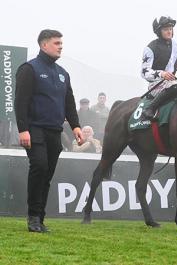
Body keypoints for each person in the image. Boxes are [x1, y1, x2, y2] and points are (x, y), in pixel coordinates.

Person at [14, 29, 84, 233]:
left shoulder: (63, 73)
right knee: (40, 166)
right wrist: (23, 129)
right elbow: (20, 101)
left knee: (47, 174)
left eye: (61, 43)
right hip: (34, 129)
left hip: (55, 131)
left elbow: (69, 103)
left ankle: (40, 218)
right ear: (44, 45)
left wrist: (76, 126)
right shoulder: (29, 69)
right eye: (56, 43)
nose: (60, 46)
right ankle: (33, 217)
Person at [141, 16, 177, 120]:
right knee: (176, 87)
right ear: (159, 31)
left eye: (170, 29)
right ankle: (150, 109)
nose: (169, 32)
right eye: (166, 29)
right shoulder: (150, 48)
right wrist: (161, 74)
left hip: (173, 82)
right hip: (156, 84)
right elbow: (144, 73)